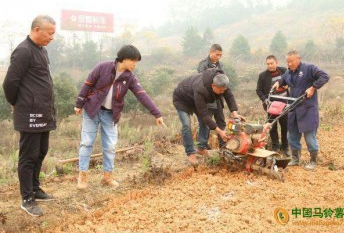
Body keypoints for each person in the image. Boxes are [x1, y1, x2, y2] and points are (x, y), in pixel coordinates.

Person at [74, 45, 164, 189]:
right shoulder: (102, 67)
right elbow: (87, 84)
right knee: (86, 143)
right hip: (92, 110)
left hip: (110, 114)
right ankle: (82, 177)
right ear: (124, 59)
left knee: (110, 146)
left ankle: (107, 177)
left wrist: (157, 113)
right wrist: (79, 103)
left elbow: (142, 94)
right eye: (133, 61)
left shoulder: (130, 77)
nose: (135, 64)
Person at [2, 15, 57, 217]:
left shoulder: (41, 51)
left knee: (41, 151)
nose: (52, 37)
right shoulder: (23, 51)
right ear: (36, 30)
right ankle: (27, 199)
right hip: (30, 112)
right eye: (49, 33)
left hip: (44, 111)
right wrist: (16, 103)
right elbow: (9, 83)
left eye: (53, 34)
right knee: (28, 156)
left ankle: (35, 188)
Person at [272, 50, 329, 171]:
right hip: (294, 108)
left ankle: (313, 161)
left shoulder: (309, 68)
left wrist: (313, 88)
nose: (289, 64)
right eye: (287, 62)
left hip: (307, 108)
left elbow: (324, 76)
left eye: (291, 61)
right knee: (291, 135)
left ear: (299, 59)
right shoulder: (289, 72)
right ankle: (295, 159)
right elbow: (283, 79)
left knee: (309, 137)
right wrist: (278, 82)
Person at [173, 68, 242, 165]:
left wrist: (234, 113)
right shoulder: (201, 89)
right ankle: (190, 153)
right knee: (186, 125)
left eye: (224, 90)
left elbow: (229, 96)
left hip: (195, 99)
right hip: (182, 100)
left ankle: (201, 148)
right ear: (213, 86)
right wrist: (220, 131)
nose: (223, 92)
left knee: (204, 124)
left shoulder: (221, 80)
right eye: (220, 91)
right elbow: (205, 116)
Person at [256, 55, 289, 156]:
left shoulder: (284, 71)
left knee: (285, 126)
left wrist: (288, 85)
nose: (270, 66)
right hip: (271, 105)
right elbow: (258, 90)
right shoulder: (262, 76)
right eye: (268, 64)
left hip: (284, 104)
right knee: (272, 126)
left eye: (271, 63)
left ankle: (285, 147)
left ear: (276, 62)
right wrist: (265, 99)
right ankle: (275, 147)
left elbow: (291, 81)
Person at [197, 44, 226, 149]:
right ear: (211, 52)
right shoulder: (203, 64)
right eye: (217, 54)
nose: (218, 57)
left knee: (221, 120)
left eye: (220, 55)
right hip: (207, 97)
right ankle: (203, 145)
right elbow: (202, 79)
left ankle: (223, 144)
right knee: (206, 121)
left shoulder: (221, 65)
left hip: (218, 97)